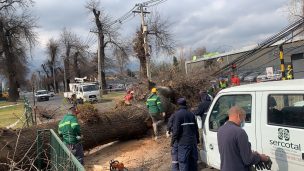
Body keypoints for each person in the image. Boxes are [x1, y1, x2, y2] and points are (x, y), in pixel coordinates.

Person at [217, 106, 269, 171]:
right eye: (244, 118)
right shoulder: (239, 132)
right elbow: (248, 160)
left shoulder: (221, 129)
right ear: (239, 116)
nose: (243, 121)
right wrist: (261, 157)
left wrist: (250, 153)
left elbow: (231, 151)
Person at [172, 98, 199, 171]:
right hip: (193, 142)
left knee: (183, 163)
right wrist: (197, 140)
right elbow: (196, 128)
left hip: (183, 143)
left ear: (178, 105)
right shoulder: (191, 114)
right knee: (193, 162)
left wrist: (172, 141)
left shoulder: (178, 115)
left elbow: (176, 130)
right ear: (185, 104)